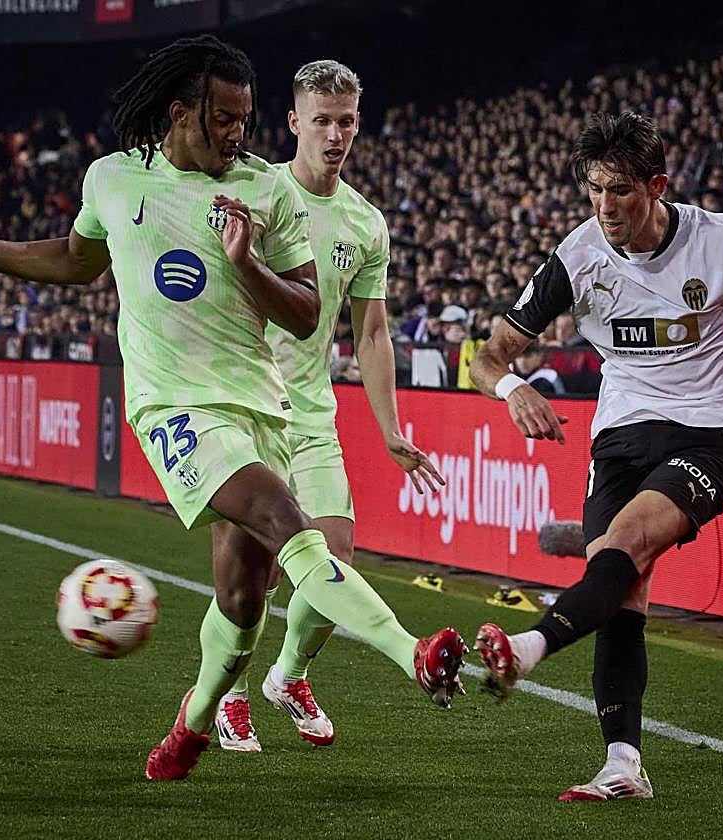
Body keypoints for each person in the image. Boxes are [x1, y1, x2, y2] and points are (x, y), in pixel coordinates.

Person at [0, 35, 465, 783]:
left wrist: (244, 259)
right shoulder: (115, 180)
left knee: (241, 597)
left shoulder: (267, 192)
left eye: (246, 118)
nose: (238, 132)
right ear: (180, 112)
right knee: (294, 531)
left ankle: (192, 723)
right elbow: (74, 258)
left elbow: (302, 314)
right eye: (224, 118)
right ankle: (412, 654)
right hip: (174, 410)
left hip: (263, 409)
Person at [468, 112, 723, 802]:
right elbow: (487, 358)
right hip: (620, 435)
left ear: (656, 186)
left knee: (623, 546)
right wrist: (513, 389)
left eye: (621, 190)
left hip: (704, 435)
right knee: (619, 587)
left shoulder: (722, 242)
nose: (606, 206)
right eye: (595, 189)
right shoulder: (576, 256)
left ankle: (525, 649)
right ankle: (623, 766)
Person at [212, 59, 446, 753]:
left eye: (347, 121)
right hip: (247, 407)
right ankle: (227, 693)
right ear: (293, 122)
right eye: (322, 121)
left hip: (311, 416)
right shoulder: (253, 190)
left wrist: (390, 428)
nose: (336, 134)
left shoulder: (365, 223)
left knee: (336, 552)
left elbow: (370, 332)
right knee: (254, 569)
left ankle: (286, 676)